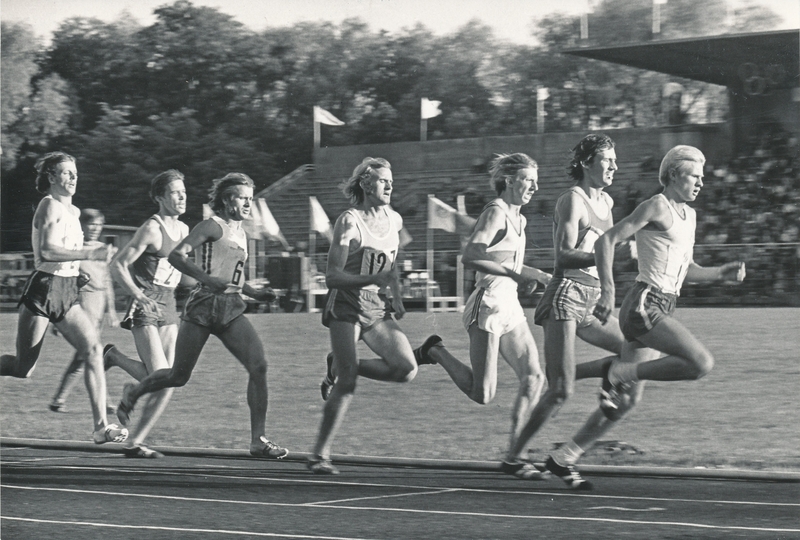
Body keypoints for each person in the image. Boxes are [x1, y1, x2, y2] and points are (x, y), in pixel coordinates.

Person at [115, 173, 287, 459]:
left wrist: (255, 293)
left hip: (231, 307)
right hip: (204, 306)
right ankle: (134, 393)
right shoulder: (211, 226)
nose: (248, 204)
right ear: (227, 200)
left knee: (259, 366)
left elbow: (232, 276)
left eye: (250, 198)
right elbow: (177, 255)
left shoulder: (241, 233)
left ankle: (258, 440)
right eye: (243, 198)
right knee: (178, 376)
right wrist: (206, 279)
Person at [504, 134, 639, 490]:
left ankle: (607, 371)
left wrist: (622, 255)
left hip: (591, 298)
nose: (614, 166)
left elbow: (604, 253)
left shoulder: (607, 201)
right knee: (560, 391)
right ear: (586, 162)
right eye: (607, 160)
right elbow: (563, 255)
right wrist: (607, 255)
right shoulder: (572, 200)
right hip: (566, 294)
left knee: (632, 350)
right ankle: (513, 456)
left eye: (615, 160)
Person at [416, 153, 549, 479]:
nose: (535, 187)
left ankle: (515, 455)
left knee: (534, 377)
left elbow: (506, 261)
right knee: (483, 393)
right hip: (487, 303)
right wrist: (517, 276)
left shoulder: (519, 219)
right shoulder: (495, 211)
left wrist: (540, 276)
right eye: (528, 180)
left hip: (510, 305)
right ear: (509, 181)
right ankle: (435, 350)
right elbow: (472, 255)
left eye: (536, 180)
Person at [593, 145, 745, 419]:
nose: (701, 183)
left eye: (702, 177)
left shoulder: (690, 216)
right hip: (644, 303)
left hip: (664, 304)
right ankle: (616, 372)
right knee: (700, 363)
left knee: (626, 401)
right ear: (674, 175)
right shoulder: (656, 206)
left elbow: (686, 270)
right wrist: (607, 291)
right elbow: (606, 240)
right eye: (694, 176)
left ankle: (571, 445)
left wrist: (720, 273)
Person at [312, 157, 431, 475]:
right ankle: (319, 455)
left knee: (406, 369)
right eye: (382, 180)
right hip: (346, 304)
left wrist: (396, 296)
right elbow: (332, 277)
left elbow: (391, 264)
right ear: (365, 184)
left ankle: (338, 364)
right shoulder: (349, 221)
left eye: (391, 180)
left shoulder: (395, 220)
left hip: (376, 305)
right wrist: (371, 279)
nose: (389, 185)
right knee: (348, 383)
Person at [1, 152, 128, 444]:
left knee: (93, 350)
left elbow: (67, 254)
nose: (73, 178)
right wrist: (90, 254)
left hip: (67, 290)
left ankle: (101, 427)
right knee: (23, 368)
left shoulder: (74, 212)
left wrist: (77, 273)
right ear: (51, 177)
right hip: (44, 289)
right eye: (67, 173)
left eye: (75, 173)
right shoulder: (49, 205)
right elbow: (47, 251)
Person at [103, 170, 190, 458]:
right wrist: (139, 295)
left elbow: (184, 271)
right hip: (146, 302)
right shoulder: (152, 229)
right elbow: (117, 265)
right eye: (175, 192)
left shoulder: (185, 230)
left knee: (171, 378)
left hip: (169, 303)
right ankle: (115, 360)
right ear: (160, 197)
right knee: (162, 375)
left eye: (184, 192)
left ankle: (135, 439)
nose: (182, 197)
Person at [49, 208, 119, 413]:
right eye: (91, 224)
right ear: (82, 225)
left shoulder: (104, 249)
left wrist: (112, 310)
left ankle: (59, 400)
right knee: (90, 353)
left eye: (99, 224)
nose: (95, 228)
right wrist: (58, 317)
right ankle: (104, 402)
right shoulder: (74, 249)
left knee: (86, 355)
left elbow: (107, 281)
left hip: (99, 303)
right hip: (81, 302)